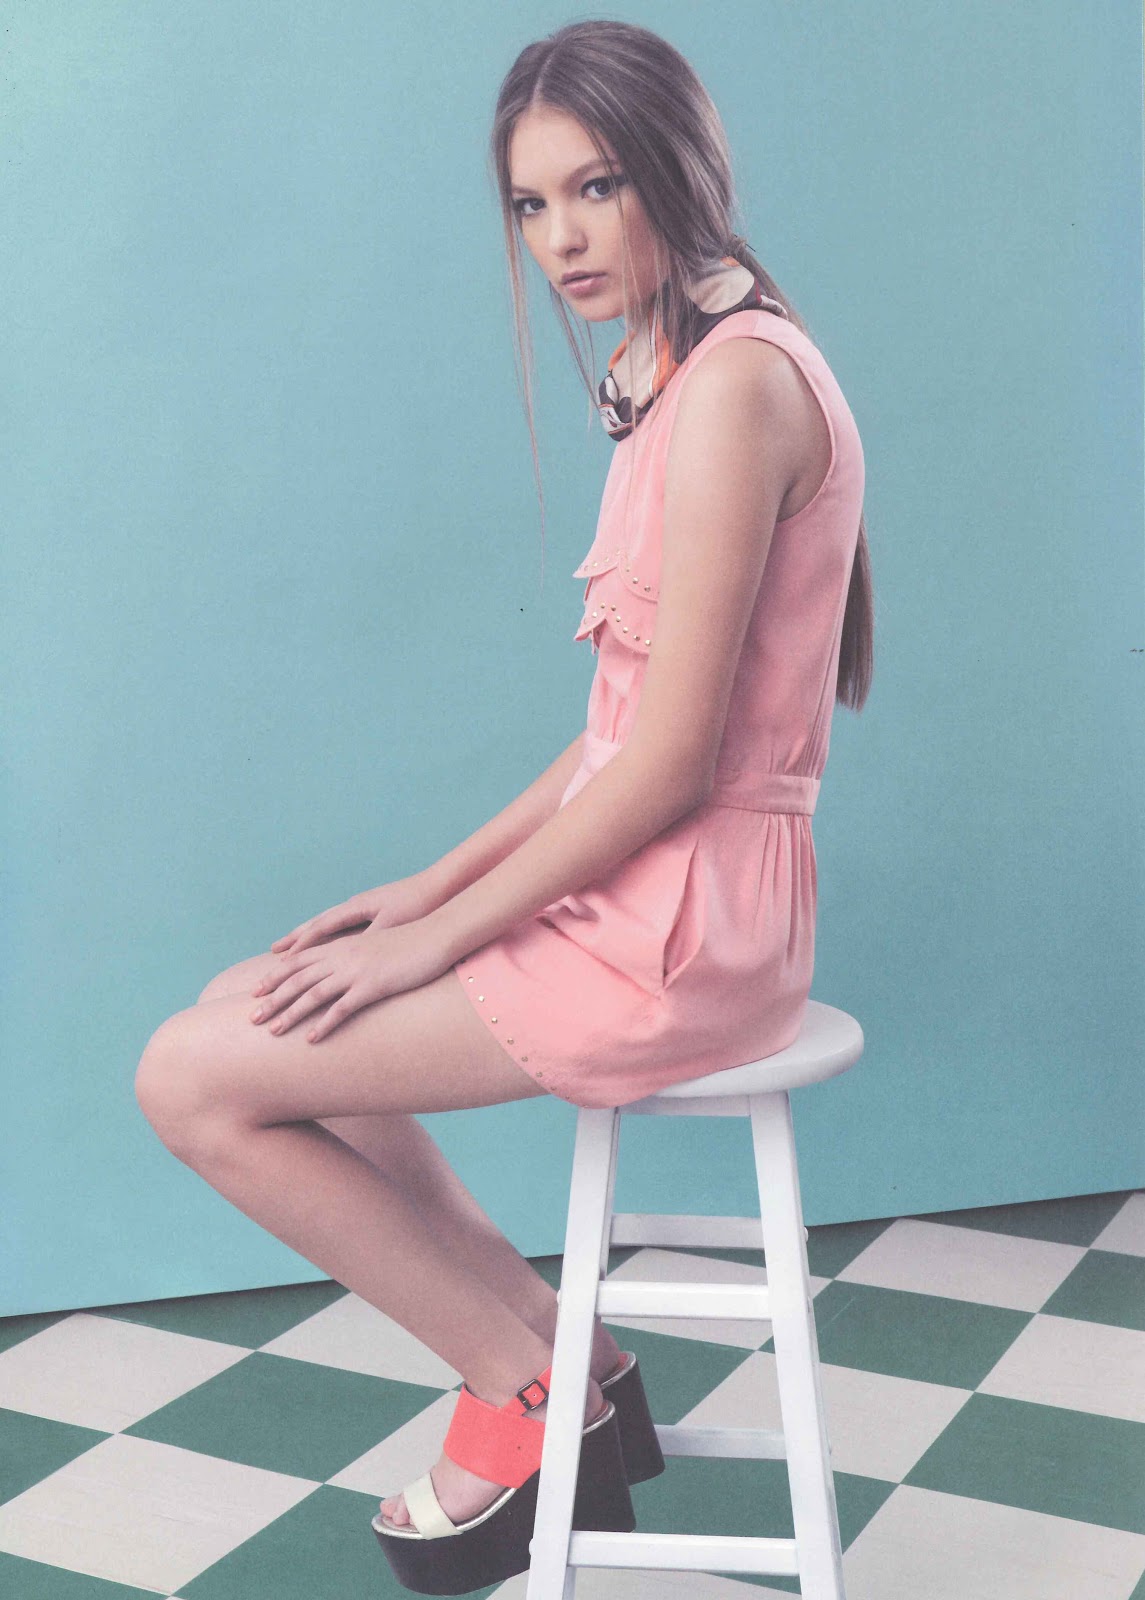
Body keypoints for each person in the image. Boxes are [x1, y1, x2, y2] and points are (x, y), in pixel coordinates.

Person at [134, 17, 872, 1594]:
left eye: (596, 187)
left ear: (680, 169)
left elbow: (669, 769)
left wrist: (433, 943)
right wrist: (423, 891)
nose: (561, 239)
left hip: (685, 933)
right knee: (260, 998)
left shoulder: (735, 390)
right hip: (651, 893)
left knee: (190, 1077)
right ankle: (566, 1357)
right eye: (530, 205)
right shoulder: (678, 373)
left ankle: (520, 1390)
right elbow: (611, 738)